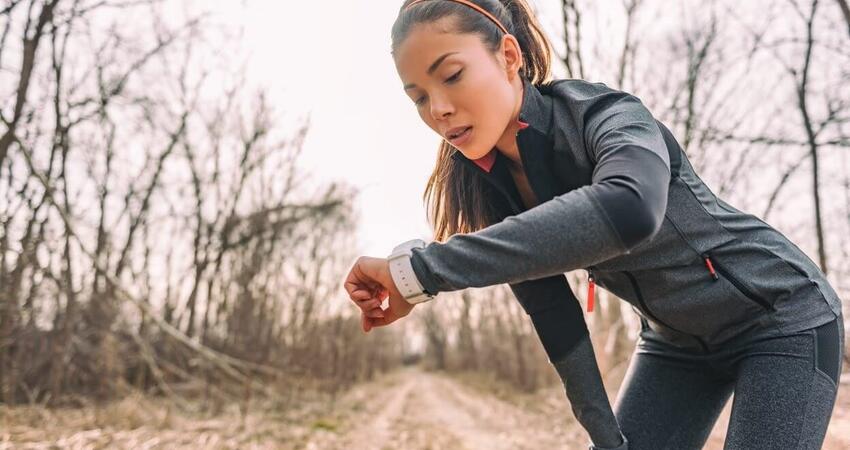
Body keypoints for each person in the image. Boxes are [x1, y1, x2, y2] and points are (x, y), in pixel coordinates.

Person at [342, 0, 846, 448]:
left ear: (508, 56)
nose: (440, 109)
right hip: (675, 345)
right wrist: (607, 439)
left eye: (451, 75)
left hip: (780, 317)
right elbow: (556, 320)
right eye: (419, 98)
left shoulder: (605, 116)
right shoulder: (492, 190)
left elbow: (629, 211)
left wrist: (418, 273)